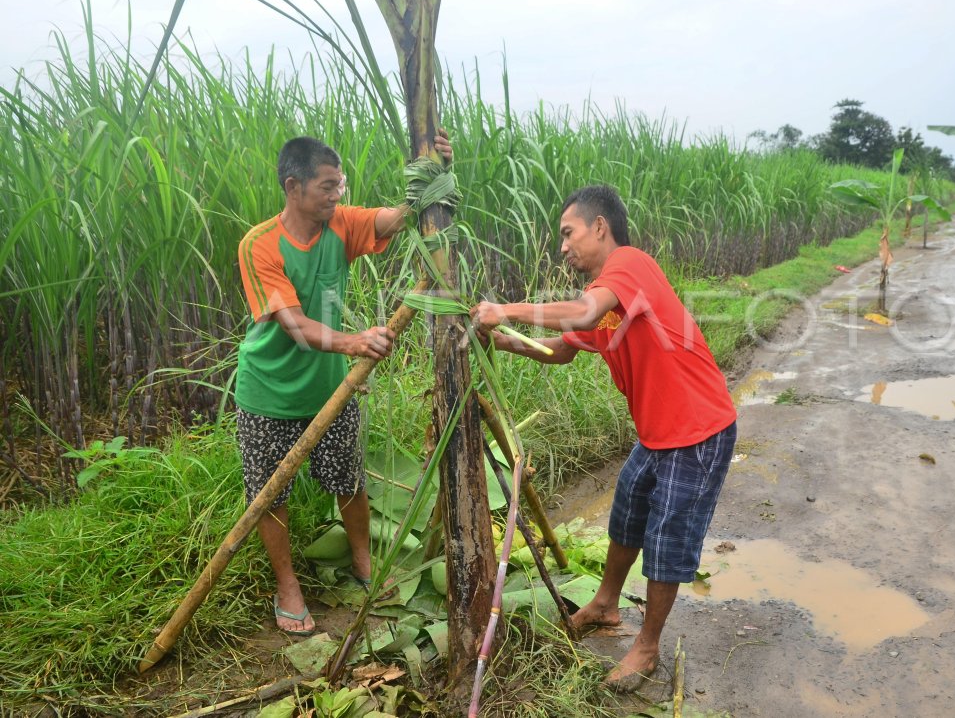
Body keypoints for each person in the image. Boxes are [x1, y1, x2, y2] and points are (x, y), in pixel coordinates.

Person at [470, 184, 737, 691]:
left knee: (666, 540)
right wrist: (504, 342)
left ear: (600, 227)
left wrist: (506, 308)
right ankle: (606, 604)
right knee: (628, 513)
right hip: (658, 433)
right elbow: (564, 348)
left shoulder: (630, 265)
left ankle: (648, 647)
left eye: (568, 233)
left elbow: (584, 312)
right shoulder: (606, 293)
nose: (563, 247)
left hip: (698, 431)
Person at [235, 133, 453, 636]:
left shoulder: (341, 224)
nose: (338, 195)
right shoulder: (259, 245)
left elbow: (394, 219)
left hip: (332, 389)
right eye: (328, 186)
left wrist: (433, 170)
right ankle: (288, 589)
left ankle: (363, 562)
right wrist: (355, 342)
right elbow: (294, 325)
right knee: (272, 496)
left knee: (349, 482)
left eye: (341, 185)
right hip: (270, 394)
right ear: (294, 187)